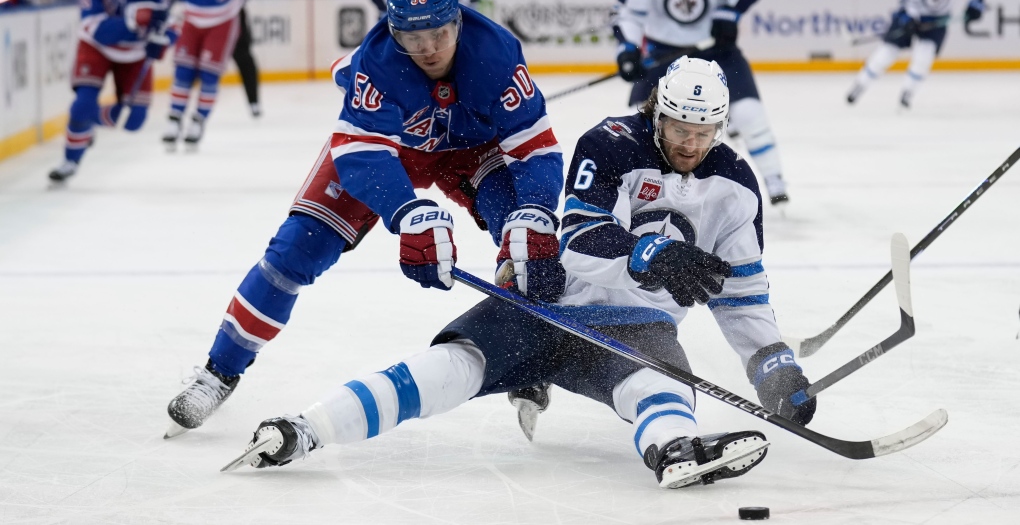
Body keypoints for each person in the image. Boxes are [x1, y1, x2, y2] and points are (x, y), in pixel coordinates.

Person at [222, 57, 816, 490]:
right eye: (680, 129)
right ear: (657, 112)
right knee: (447, 368)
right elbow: (580, 238)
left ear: (720, 127)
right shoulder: (610, 144)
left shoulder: (736, 187)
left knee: (658, 386)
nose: (690, 143)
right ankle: (307, 428)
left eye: (703, 133)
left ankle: (674, 451)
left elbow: (740, 292)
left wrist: (772, 361)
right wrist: (651, 255)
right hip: (547, 304)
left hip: (633, 323)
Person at [164, 0, 563, 438]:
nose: (428, 48)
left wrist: (535, 209)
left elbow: (535, 146)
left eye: (438, 32)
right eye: (413, 37)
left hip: (468, 151)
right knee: (293, 253)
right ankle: (219, 370)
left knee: (527, 242)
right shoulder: (375, 63)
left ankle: (527, 356)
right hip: (387, 154)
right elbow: (359, 153)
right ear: (392, 30)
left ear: (458, 18)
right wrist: (406, 211)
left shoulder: (496, 52)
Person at [613, 0, 791, 206]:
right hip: (664, 54)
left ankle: (774, 179)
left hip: (718, 51)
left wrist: (729, 13)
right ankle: (647, 188)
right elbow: (627, 13)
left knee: (749, 113)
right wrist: (627, 48)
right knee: (641, 121)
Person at [47, 0, 173, 183]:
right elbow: (97, 29)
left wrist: (165, 40)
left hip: (135, 53)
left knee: (134, 120)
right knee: (83, 103)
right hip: (96, 46)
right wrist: (135, 23)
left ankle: (87, 122)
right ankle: (70, 161)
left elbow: (170, 22)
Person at [846, 0, 987, 109]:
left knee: (924, 57)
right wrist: (909, 17)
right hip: (910, 17)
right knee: (887, 52)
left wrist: (976, 2)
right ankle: (860, 85)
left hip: (936, 20)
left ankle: (908, 93)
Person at [161, 0, 260, 151]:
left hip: (223, 19)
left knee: (209, 74)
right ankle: (174, 118)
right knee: (183, 71)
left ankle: (198, 121)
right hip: (191, 17)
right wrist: (170, 10)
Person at [232, 5, 260, 117]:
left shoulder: (237, 2)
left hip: (239, 42)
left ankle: (254, 102)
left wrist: (246, 40)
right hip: (216, 35)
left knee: (249, 69)